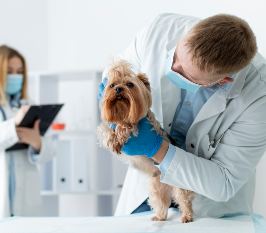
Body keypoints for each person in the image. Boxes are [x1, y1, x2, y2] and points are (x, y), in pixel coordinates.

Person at [98, 13, 266, 218]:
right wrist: (108, 91)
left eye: (184, 74)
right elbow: (114, 72)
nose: (172, 67)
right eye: (176, 56)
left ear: (223, 81)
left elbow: (225, 181)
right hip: (147, 194)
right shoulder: (159, 30)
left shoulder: (259, 95)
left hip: (208, 205)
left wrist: (157, 148)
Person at [0, 45, 55, 224]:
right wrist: (13, 126)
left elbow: (49, 150)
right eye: (9, 71)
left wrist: (37, 143)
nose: (15, 76)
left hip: (26, 200)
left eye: (19, 71)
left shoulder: (28, 104)